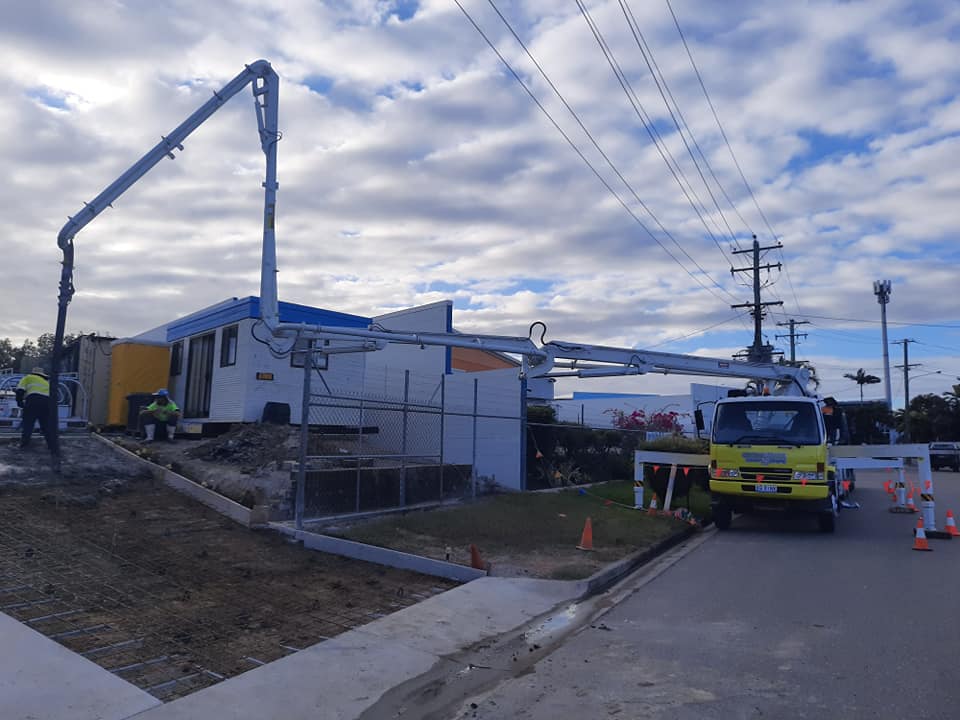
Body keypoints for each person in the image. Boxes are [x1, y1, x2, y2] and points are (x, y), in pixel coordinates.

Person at [16, 367, 55, 450]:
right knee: (46, 425)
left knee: (28, 424)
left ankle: (24, 444)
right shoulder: (46, 382)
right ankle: (51, 445)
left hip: (33, 400)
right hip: (47, 403)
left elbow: (20, 390)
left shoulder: (28, 377)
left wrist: (20, 402)